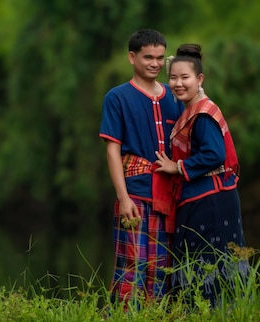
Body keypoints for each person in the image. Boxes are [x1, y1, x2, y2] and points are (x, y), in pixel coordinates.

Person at [154, 43, 248, 308]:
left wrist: (177, 167)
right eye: (173, 77)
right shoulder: (191, 111)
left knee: (210, 265)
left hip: (212, 200)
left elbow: (214, 154)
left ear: (200, 79)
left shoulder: (203, 113)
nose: (178, 83)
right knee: (202, 264)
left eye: (185, 77)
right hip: (202, 198)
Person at [99, 29, 184, 306]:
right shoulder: (117, 97)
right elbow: (112, 150)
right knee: (131, 265)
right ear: (132, 57)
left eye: (160, 58)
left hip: (169, 196)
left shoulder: (175, 96)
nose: (155, 64)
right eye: (148, 57)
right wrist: (123, 198)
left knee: (161, 267)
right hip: (134, 193)